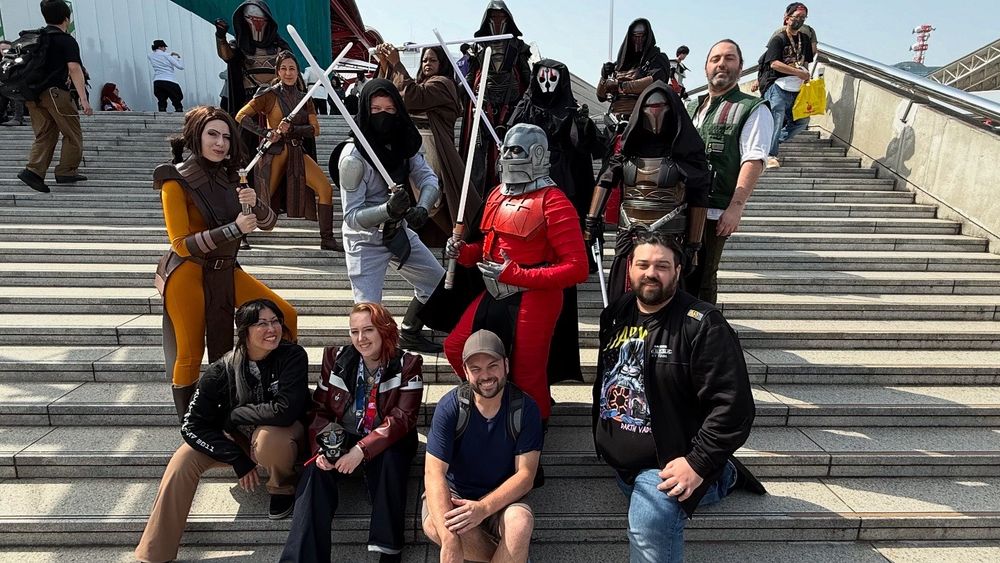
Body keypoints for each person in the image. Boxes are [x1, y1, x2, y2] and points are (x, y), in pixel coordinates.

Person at [593, 232, 765, 563]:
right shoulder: (615, 314)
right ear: (630, 268)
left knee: (648, 521)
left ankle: (722, 474)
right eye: (643, 264)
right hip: (623, 466)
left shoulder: (703, 325)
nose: (651, 273)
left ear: (678, 270)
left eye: (662, 266)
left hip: (670, 464)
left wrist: (698, 463)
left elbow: (735, 407)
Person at [135, 299, 310, 563]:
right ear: (244, 331)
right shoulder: (221, 371)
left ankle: (281, 488)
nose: (271, 329)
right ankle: (155, 551)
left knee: (270, 439)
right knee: (182, 460)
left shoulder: (292, 356)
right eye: (262, 323)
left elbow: (285, 410)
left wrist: (235, 415)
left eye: (275, 321)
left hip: (281, 434)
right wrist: (236, 457)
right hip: (237, 441)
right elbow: (191, 425)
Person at [154, 105, 298, 420]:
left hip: (226, 268)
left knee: (285, 316)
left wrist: (255, 203)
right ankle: (191, 426)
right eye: (212, 135)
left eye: (226, 137)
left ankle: (273, 389)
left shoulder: (234, 176)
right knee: (190, 353)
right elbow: (180, 244)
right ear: (196, 136)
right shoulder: (173, 179)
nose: (220, 143)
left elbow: (268, 223)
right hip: (187, 272)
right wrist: (234, 229)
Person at [442, 124, 589, 423]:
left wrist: (518, 275)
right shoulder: (497, 194)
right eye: (506, 149)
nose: (508, 156)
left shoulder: (554, 201)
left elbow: (577, 268)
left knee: (527, 373)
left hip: (535, 297)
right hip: (495, 290)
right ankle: (491, 404)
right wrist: (463, 252)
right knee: (457, 347)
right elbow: (487, 248)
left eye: (516, 150)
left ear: (537, 153)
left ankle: (532, 431)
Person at [280, 302, 422, 563]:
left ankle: (388, 550)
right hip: (345, 433)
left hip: (388, 437)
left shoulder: (407, 363)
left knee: (391, 460)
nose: (360, 338)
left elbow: (402, 418)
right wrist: (323, 448)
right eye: (354, 331)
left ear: (384, 329)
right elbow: (320, 409)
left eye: (368, 330)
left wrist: (361, 450)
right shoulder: (336, 358)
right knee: (314, 471)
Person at [506, 58, 601, 381]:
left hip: (563, 203)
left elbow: (593, 150)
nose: (547, 85)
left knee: (559, 290)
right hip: (524, 209)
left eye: (553, 78)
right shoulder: (524, 111)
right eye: (542, 78)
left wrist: (585, 128)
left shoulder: (572, 112)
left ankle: (554, 370)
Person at [333, 78, 444, 354]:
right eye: (376, 109)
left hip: (398, 229)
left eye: (390, 109)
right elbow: (351, 216)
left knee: (437, 283)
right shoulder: (353, 157)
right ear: (365, 110)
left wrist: (423, 207)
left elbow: (428, 178)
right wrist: (387, 210)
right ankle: (371, 363)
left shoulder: (405, 141)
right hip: (364, 240)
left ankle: (410, 330)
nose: (383, 115)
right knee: (368, 314)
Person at [584, 81, 711, 303]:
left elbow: (698, 196)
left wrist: (693, 245)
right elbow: (605, 179)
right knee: (623, 298)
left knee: (666, 298)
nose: (655, 113)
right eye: (650, 107)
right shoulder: (628, 150)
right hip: (630, 237)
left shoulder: (686, 150)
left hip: (669, 240)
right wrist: (591, 221)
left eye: (661, 107)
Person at [423, 330, 543, 563]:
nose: (485, 375)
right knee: (435, 525)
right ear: (465, 372)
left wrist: (483, 508)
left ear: (506, 365)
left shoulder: (525, 408)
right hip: (457, 494)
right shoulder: (450, 407)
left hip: (502, 496)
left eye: (492, 366)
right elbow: (433, 472)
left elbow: (526, 476)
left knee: (520, 523)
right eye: (476, 369)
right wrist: (449, 541)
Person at [686, 39, 772, 305]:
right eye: (715, 59)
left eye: (729, 58)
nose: (721, 64)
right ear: (706, 67)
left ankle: (704, 327)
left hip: (714, 210)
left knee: (702, 276)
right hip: (681, 206)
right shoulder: (691, 107)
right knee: (677, 272)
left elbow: (753, 160)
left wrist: (736, 207)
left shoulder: (752, 108)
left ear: (741, 66)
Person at [376, 43, 483, 246]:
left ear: (442, 63)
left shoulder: (444, 84)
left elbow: (412, 97)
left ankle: (458, 240)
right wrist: (385, 65)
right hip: (412, 145)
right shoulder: (420, 83)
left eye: (433, 60)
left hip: (431, 145)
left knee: (430, 196)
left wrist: (396, 63)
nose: (427, 63)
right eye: (425, 60)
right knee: (414, 194)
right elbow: (390, 96)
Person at [235, 50, 342, 252]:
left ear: (297, 71)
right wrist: (266, 132)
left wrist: (292, 129)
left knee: (325, 189)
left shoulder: (305, 98)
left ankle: (327, 239)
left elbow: (315, 129)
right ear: (277, 71)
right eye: (283, 68)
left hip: (296, 152)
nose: (288, 72)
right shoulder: (269, 94)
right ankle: (241, 235)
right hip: (274, 152)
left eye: (292, 68)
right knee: (262, 197)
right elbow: (241, 116)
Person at [16, 0, 92, 194]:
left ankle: (33, 171)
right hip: (56, 93)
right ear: (66, 18)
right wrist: (83, 99)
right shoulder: (65, 40)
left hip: (32, 95)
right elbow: (74, 68)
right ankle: (66, 171)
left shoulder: (36, 38)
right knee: (72, 133)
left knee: (46, 133)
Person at [460, 0, 532, 200]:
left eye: (501, 16)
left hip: (511, 108)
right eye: (494, 17)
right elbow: (470, 78)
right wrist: (454, 93)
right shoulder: (478, 47)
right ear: (487, 20)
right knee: (478, 156)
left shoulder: (517, 46)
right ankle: (476, 203)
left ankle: (510, 197)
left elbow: (528, 79)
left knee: (511, 152)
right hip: (483, 106)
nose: (498, 21)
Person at [758, 2, 815, 168]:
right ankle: (770, 155)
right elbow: (774, 63)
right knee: (776, 120)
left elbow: (806, 62)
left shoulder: (804, 39)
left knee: (802, 121)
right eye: (796, 17)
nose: (800, 20)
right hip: (778, 87)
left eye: (803, 17)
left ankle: (770, 142)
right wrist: (797, 72)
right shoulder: (778, 39)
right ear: (787, 18)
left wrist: (806, 77)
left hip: (797, 88)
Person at [215, 0, 290, 116]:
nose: (257, 24)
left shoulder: (280, 46)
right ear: (244, 20)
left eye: (260, 19)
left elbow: (292, 70)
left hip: (276, 98)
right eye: (251, 19)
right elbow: (227, 56)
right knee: (246, 124)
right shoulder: (239, 46)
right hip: (249, 98)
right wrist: (220, 37)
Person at [597, 18, 672, 123]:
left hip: (641, 120)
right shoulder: (620, 64)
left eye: (642, 36)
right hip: (614, 120)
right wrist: (604, 77)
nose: (638, 40)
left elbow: (655, 81)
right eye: (635, 36)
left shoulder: (657, 59)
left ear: (648, 36)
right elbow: (601, 96)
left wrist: (621, 86)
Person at [148, 39, 184, 112]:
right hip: (169, 80)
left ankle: (161, 113)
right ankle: (179, 111)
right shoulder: (167, 56)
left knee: (161, 100)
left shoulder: (150, 56)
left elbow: (157, 54)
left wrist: (170, 54)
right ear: (160, 47)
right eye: (164, 47)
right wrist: (178, 57)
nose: (165, 49)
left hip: (157, 81)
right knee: (177, 98)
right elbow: (180, 67)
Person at [0, 41, 27, 126]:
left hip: (15, 86)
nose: (6, 52)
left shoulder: (19, 60)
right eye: (3, 50)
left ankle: (18, 118)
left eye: (8, 50)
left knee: (14, 90)